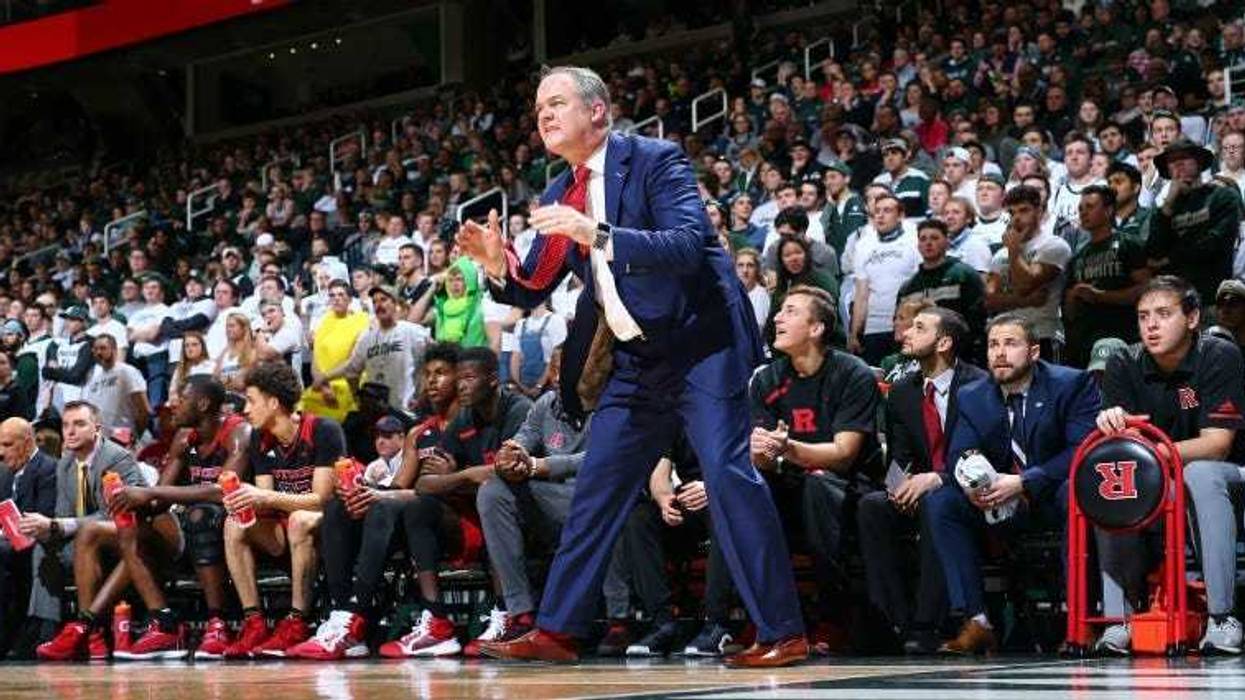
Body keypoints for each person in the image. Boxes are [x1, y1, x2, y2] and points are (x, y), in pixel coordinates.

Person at [456, 65, 807, 667]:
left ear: (598, 111)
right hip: (637, 357)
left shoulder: (654, 159)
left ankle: (783, 631)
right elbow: (532, 284)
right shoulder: (555, 193)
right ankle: (560, 630)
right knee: (597, 484)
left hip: (701, 341)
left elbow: (687, 243)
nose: (543, 114)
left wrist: (597, 232)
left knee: (726, 476)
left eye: (557, 102)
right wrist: (497, 266)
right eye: (539, 106)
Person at [925, 313, 1099, 654]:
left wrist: (1024, 481)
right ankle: (977, 621)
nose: (999, 353)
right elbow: (959, 452)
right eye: (993, 345)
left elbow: (1083, 449)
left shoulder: (1071, 384)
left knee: (1075, 494)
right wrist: (976, 485)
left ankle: (1080, 621)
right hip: (997, 500)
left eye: (1010, 344)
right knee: (941, 501)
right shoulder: (974, 395)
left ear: (1034, 352)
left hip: (1050, 495)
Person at [1092, 276, 1245, 656]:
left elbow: (1218, 445)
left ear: (1192, 319)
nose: (1151, 326)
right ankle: (1120, 621)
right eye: (1144, 317)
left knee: (1200, 472)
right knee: (1114, 482)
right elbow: (1122, 454)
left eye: (1163, 314)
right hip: (1160, 484)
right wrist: (1111, 425)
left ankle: (1222, 617)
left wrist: (1153, 454)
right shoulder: (1123, 362)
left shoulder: (1218, 354)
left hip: (1228, 479)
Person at [750, 285, 883, 653]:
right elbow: (762, 457)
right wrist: (761, 453)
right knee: (744, 492)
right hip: (790, 480)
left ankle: (832, 617)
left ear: (816, 328)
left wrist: (788, 447)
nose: (777, 317)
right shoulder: (766, 378)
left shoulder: (851, 372)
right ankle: (758, 621)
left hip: (850, 484)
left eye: (790, 311)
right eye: (779, 311)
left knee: (818, 486)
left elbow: (843, 454)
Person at [380, 348, 531, 657]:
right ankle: (436, 620)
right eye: (459, 379)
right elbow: (425, 483)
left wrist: (461, 475)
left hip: (524, 508)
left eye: (469, 378)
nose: (462, 386)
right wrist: (467, 476)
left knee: (493, 499)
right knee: (418, 506)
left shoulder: (518, 410)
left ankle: (507, 614)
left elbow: (510, 470)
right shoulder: (463, 417)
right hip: (474, 513)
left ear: (492, 380)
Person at [857, 308, 985, 653]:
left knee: (935, 503)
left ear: (943, 342)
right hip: (920, 485)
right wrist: (898, 485)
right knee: (873, 506)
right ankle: (893, 620)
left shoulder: (978, 385)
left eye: (918, 327)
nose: (905, 334)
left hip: (968, 489)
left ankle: (927, 623)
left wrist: (939, 479)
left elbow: (988, 455)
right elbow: (898, 457)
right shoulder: (901, 392)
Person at [104, 376, 250, 660]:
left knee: (200, 514)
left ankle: (216, 622)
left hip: (239, 523)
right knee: (130, 523)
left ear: (203, 403)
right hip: (193, 527)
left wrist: (150, 493)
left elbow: (223, 491)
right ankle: (164, 622)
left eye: (181, 399)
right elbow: (159, 500)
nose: (172, 405)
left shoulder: (237, 433)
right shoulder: (185, 439)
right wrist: (130, 501)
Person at [220, 361, 343, 658]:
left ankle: (297, 621)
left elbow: (322, 499)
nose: (245, 410)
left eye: (251, 401)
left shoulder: (323, 430)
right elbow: (266, 500)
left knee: (300, 519)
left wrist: (263, 498)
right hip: (286, 529)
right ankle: (254, 623)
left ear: (274, 403)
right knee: (233, 522)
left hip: (332, 525)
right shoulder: (259, 440)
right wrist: (243, 501)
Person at [22, 401, 148, 661]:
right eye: (66, 425)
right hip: (86, 539)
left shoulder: (116, 458)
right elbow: (64, 514)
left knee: (85, 535)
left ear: (97, 428)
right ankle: (49, 627)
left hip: (127, 539)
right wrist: (46, 529)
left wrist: (59, 525)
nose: (70, 431)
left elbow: (116, 512)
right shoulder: (65, 463)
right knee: (43, 547)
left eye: (79, 424)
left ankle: (89, 632)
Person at [619, 430, 738, 658]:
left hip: (727, 495)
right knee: (639, 518)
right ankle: (662, 623)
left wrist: (713, 488)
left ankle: (717, 624)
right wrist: (664, 501)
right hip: (691, 503)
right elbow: (660, 474)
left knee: (723, 513)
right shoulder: (679, 419)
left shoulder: (734, 409)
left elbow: (749, 462)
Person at [1144, 139, 1241, 315]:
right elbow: (1153, 253)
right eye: (1172, 161)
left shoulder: (1222, 196)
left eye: (1185, 157)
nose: (1179, 163)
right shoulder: (1164, 211)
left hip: (1213, 299)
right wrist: (1168, 206)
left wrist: (1169, 260)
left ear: (1198, 162)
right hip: (1174, 302)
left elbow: (1214, 243)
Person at [1062, 185, 1151, 367]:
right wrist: (1073, 296)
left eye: (1090, 206)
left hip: (1125, 334)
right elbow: (1069, 312)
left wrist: (1100, 296)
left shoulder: (1128, 244)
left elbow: (1146, 290)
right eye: (1081, 208)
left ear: (1109, 210)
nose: (1083, 213)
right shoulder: (1078, 256)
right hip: (1087, 340)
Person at [985, 185, 1072, 362]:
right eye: (1012, 212)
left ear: (1039, 211)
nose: (1017, 218)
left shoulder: (1054, 245)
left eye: (1024, 211)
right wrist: (1026, 301)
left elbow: (1025, 284)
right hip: (1006, 337)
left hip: (1043, 334)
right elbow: (989, 301)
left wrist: (1014, 251)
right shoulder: (1000, 255)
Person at [312, 285, 429, 412]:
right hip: (376, 411)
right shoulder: (367, 337)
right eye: (375, 301)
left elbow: (435, 358)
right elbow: (351, 368)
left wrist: (423, 395)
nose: (379, 305)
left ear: (395, 304)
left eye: (383, 300)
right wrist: (325, 377)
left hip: (405, 408)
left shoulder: (411, 331)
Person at [0, 418, 57, 660]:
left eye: (7, 445)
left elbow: (43, 516)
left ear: (27, 443)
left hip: (37, 543)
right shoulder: (5, 473)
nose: (1, 452)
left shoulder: (48, 469)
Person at [897, 219, 987, 360]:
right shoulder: (908, 286)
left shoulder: (964, 275)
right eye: (923, 239)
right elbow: (901, 325)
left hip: (962, 355)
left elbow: (978, 318)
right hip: (920, 357)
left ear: (947, 242)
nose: (928, 243)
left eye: (934, 238)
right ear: (918, 245)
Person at [849, 193, 920, 363]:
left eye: (887, 210)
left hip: (907, 326)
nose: (880, 215)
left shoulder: (914, 240)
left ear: (900, 215)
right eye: (877, 211)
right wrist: (854, 333)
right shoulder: (864, 245)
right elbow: (861, 294)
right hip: (873, 328)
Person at [300, 280, 369, 421]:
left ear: (350, 299)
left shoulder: (362, 321)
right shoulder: (324, 321)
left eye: (341, 295)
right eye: (332, 295)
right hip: (322, 385)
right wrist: (323, 386)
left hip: (348, 384)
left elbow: (354, 362)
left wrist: (323, 380)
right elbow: (315, 359)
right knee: (300, 409)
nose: (336, 298)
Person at [80, 335, 149, 437]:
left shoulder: (126, 371)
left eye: (103, 348)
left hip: (123, 436)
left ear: (114, 350)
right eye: (95, 349)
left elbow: (143, 408)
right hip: (101, 440)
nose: (99, 352)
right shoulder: (94, 380)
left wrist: (135, 435)